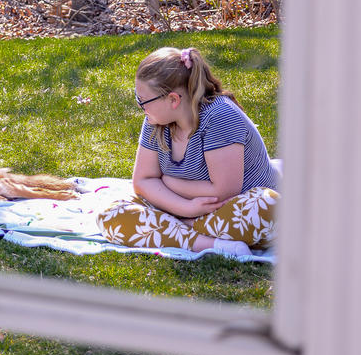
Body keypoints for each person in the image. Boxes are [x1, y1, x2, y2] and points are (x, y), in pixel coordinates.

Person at [96, 46, 279, 258]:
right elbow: (142, 181)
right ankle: (205, 242)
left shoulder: (219, 116)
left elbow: (223, 191)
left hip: (235, 208)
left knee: (270, 207)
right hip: (188, 209)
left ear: (173, 100)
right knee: (110, 215)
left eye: (142, 101)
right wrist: (186, 209)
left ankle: (175, 230)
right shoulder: (155, 121)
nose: (141, 107)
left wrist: (168, 183)